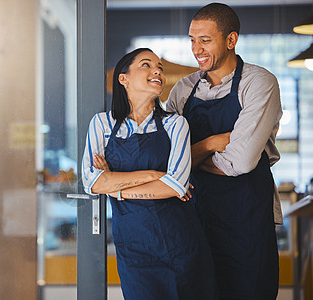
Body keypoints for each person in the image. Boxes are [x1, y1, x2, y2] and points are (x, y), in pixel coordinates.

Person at [167, 3, 283, 299]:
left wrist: (190, 158)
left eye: (205, 40)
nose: (197, 49)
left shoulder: (259, 83)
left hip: (246, 224)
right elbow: (166, 160)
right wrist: (210, 143)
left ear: (231, 40)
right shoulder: (182, 90)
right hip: (194, 220)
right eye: (192, 39)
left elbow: (241, 162)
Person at [82, 48, 217, 299]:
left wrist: (117, 189)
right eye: (147, 65)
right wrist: (154, 175)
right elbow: (91, 182)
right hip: (133, 250)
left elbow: (175, 186)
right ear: (124, 79)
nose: (157, 70)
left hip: (181, 244)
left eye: (160, 67)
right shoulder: (101, 124)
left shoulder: (175, 124)